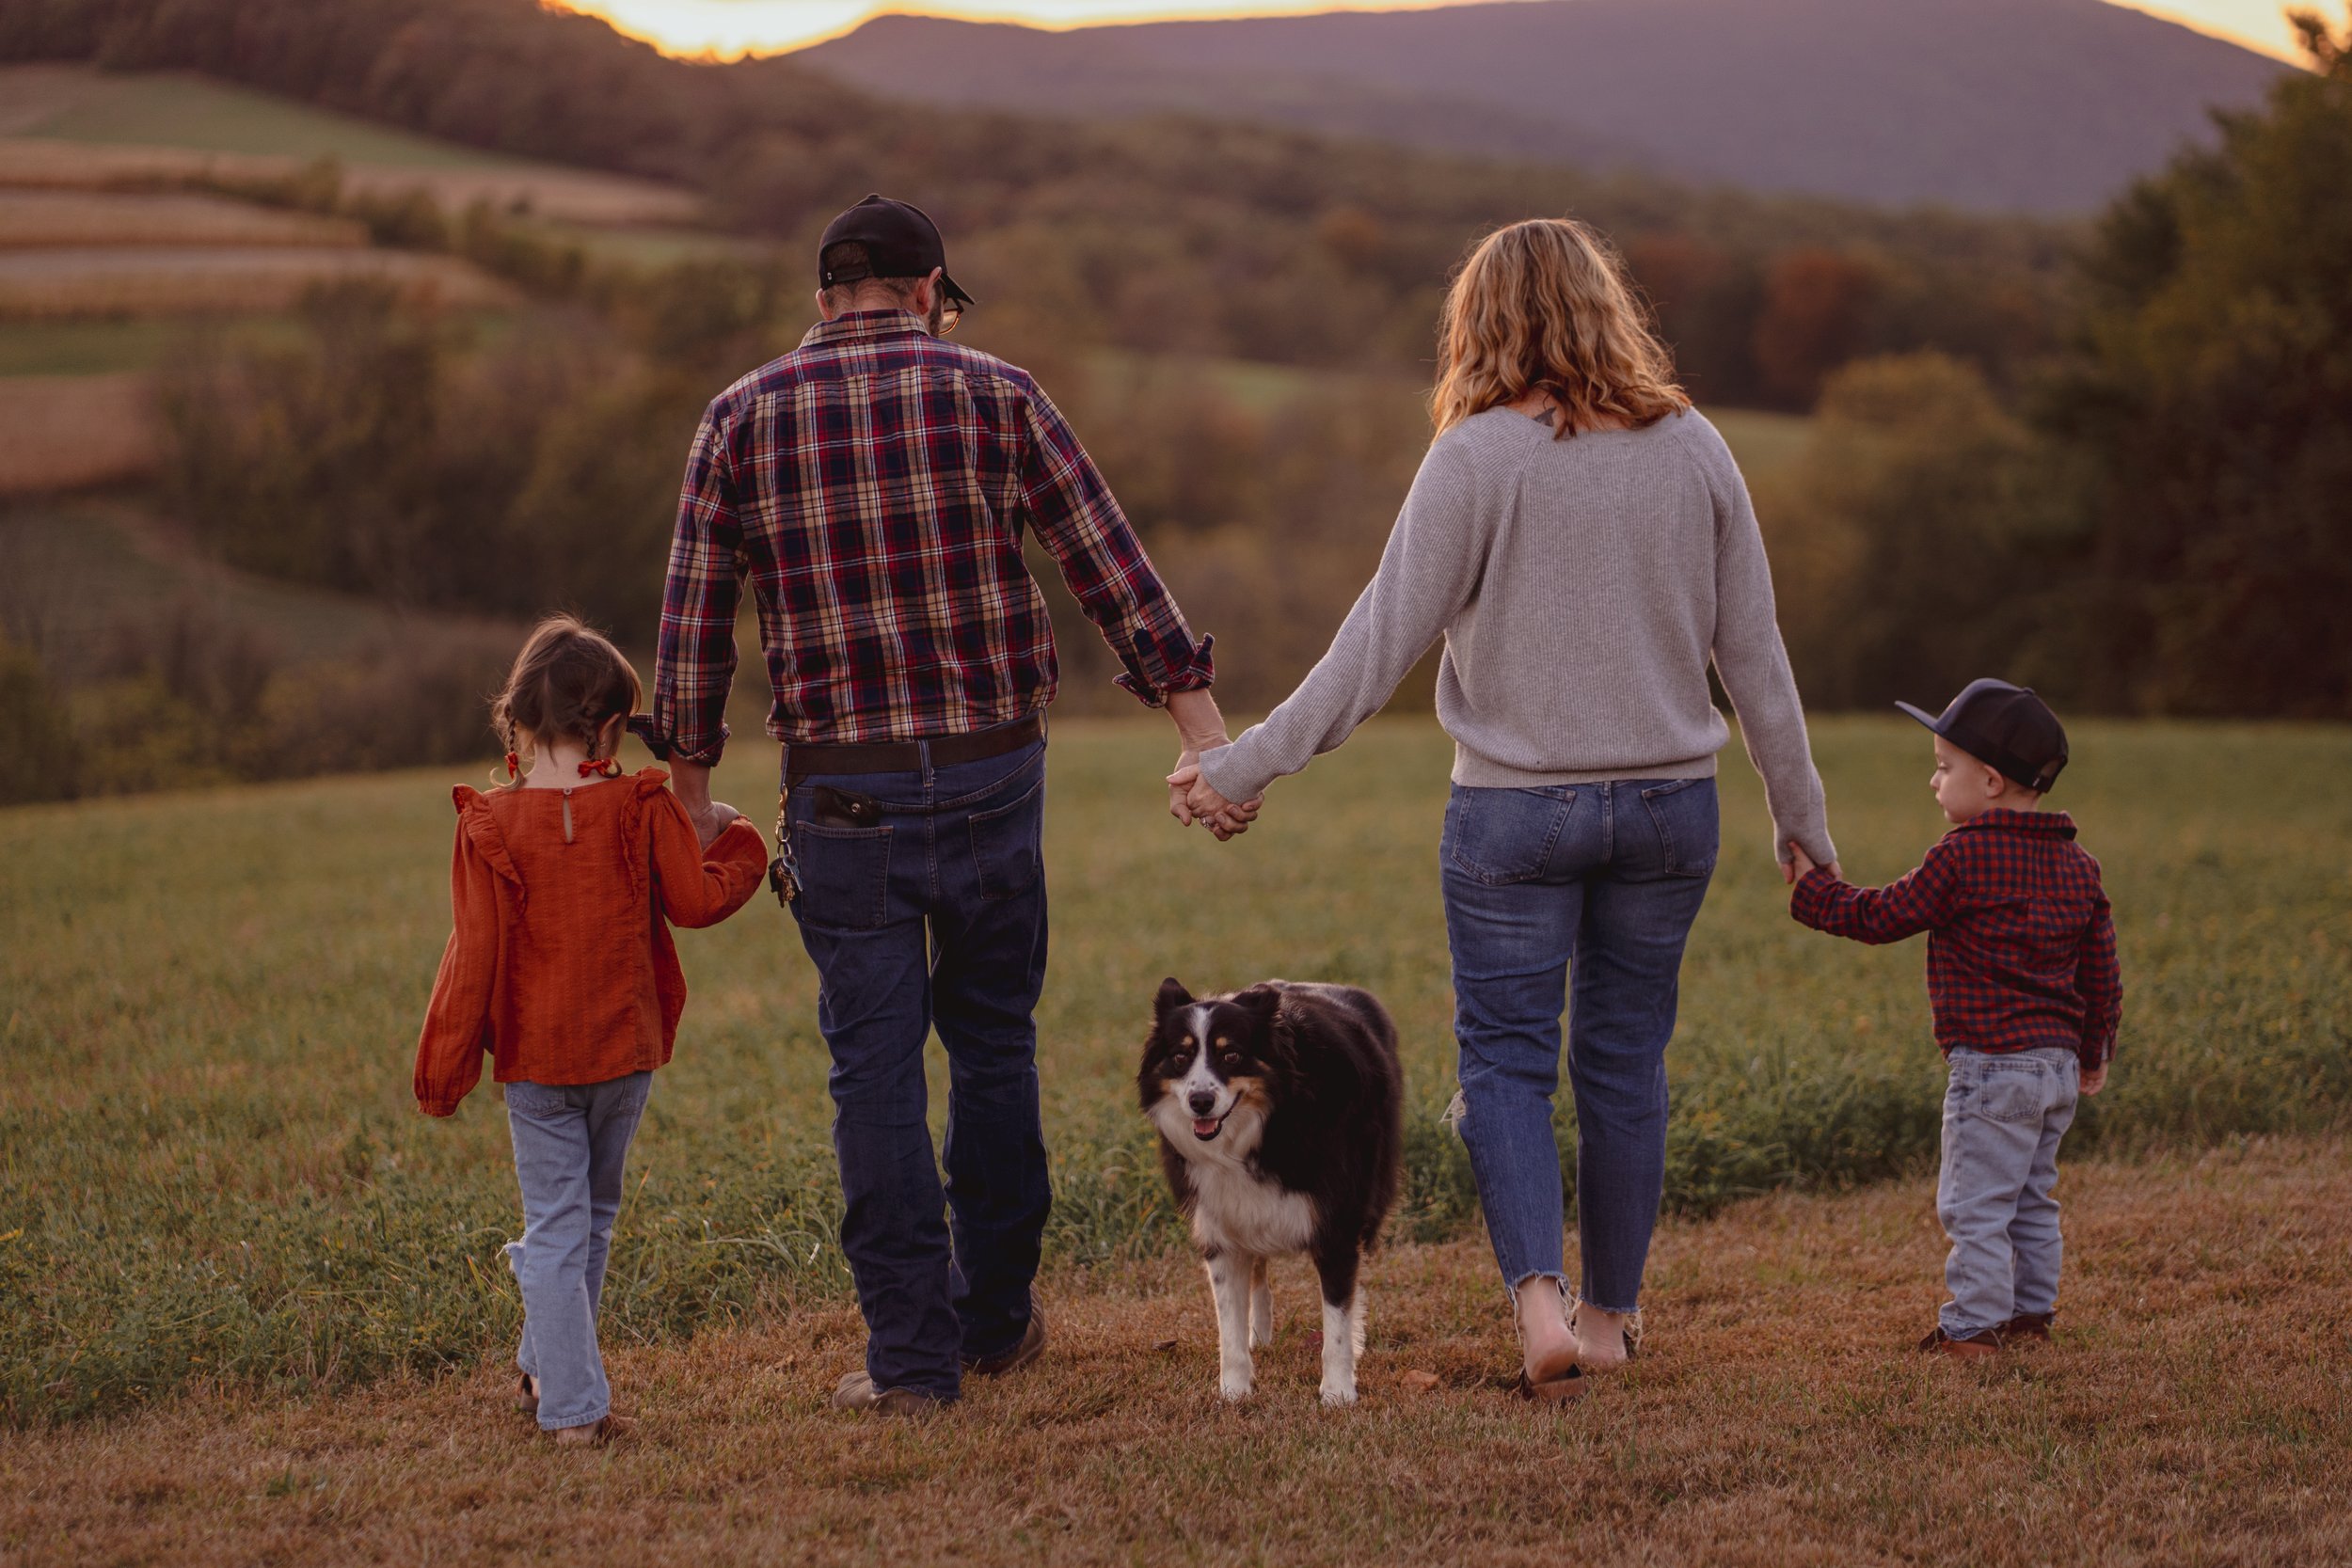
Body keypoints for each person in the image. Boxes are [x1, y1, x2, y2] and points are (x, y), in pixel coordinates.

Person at [1178, 217, 1836, 1399]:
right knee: (1625, 1067)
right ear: (1607, 308)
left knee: (1506, 1068)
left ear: (1475, 323)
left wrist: (1241, 765)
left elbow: (1374, 646)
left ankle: (1536, 1302)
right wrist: (1803, 818)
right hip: (1671, 807)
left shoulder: (1474, 456)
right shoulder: (1694, 447)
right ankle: (1609, 1319)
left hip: (1515, 816)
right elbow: (1758, 659)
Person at [651, 194, 1246, 1416]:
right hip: (990, 774)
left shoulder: (739, 418)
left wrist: (694, 793)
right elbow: (1107, 561)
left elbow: (692, 626)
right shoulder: (1000, 394)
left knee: (870, 1071)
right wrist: (1205, 733)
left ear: (825, 296)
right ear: (929, 291)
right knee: (994, 1045)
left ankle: (913, 1365)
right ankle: (996, 1319)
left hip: (840, 791)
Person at [413, 617, 770, 1444]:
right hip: (623, 1052)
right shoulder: (641, 803)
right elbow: (696, 900)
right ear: (610, 728)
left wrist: (442, 1069)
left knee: (559, 1224)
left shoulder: (489, 825)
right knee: (587, 1218)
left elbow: (472, 958)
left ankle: (555, 1371)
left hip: (538, 1066)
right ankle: (566, 1396)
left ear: (521, 721)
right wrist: (743, 839)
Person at [1788, 678, 2121, 1356]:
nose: (1933, 781)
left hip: (1992, 1066)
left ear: (1992, 781)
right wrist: (2094, 1049)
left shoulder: (1965, 855)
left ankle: (1973, 1328)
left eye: (1945, 767)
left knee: (1975, 1205)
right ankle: (2031, 1310)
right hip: (2056, 1067)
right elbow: (2101, 969)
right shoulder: (2079, 864)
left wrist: (1815, 891)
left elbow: (1882, 916)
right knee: (2032, 1197)